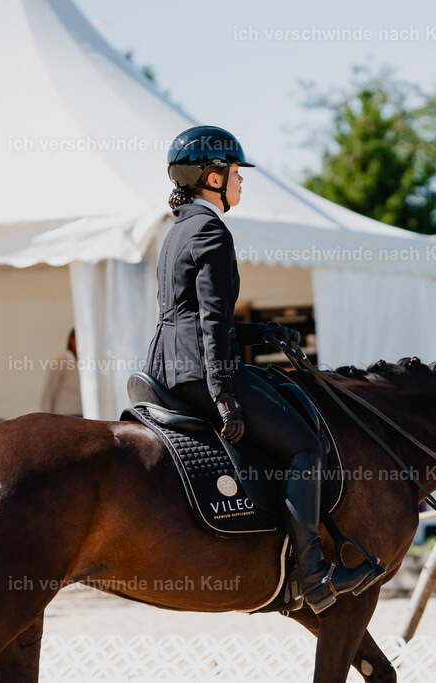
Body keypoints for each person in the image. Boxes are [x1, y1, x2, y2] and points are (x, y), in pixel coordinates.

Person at [143, 125, 378, 614]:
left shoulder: (179, 230)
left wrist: (259, 332)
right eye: (235, 173)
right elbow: (208, 319)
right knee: (305, 446)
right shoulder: (210, 230)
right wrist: (224, 392)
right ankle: (313, 572)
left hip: (169, 366)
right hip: (202, 371)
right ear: (212, 177)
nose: (241, 182)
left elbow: (198, 315)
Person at [39, 328, 83, 416]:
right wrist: (47, 419)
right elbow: (48, 393)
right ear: (71, 340)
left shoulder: (88, 363)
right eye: (79, 339)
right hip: (64, 416)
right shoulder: (59, 362)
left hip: (84, 416)